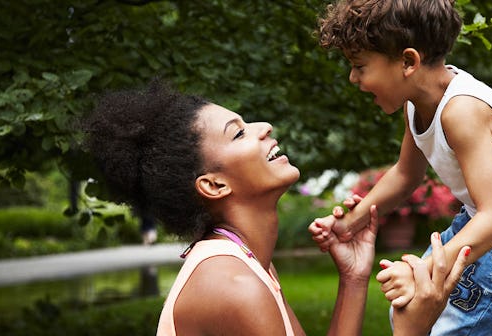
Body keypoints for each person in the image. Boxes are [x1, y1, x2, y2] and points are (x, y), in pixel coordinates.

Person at [82, 79, 470, 335]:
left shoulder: (248, 263)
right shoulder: (233, 288)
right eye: (238, 132)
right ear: (214, 185)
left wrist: (353, 280)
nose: (263, 126)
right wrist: (413, 328)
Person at [310, 1, 492, 335]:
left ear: (408, 61)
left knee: (450, 328)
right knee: (409, 310)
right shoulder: (416, 105)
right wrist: (350, 222)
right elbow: (406, 175)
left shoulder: (461, 111)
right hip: (483, 218)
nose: (353, 78)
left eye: (360, 66)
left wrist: (424, 268)